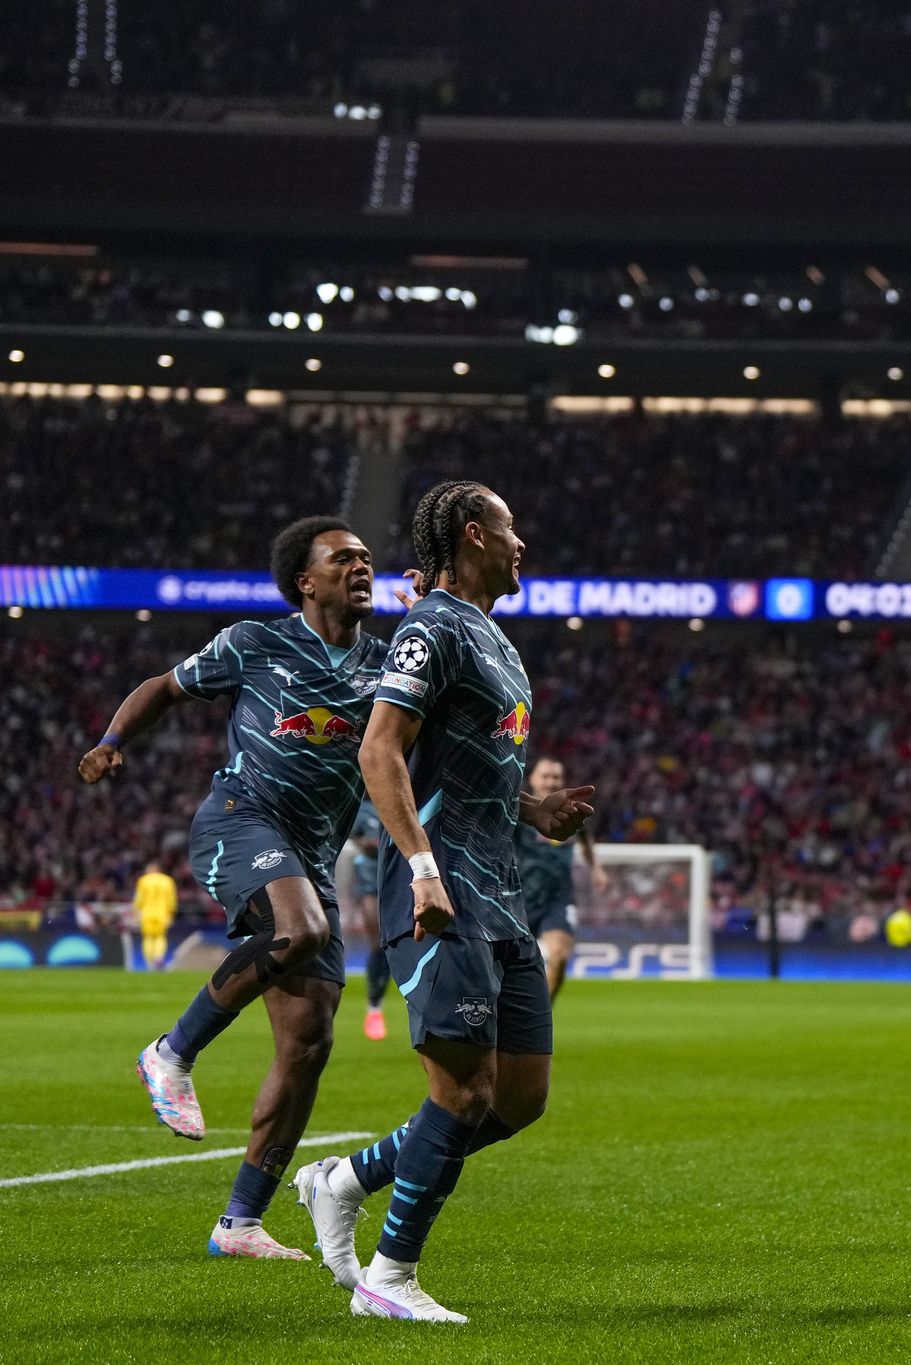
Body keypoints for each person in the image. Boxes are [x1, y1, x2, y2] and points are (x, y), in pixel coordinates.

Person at [290, 481, 593, 1323]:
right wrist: (422, 868)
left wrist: (536, 812)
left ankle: (341, 1176)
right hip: (440, 887)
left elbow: (466, 771)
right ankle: (390, 1277)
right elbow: (380, 753)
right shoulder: (430, 628)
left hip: (498, 889)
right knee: (461, 1091)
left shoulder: (496, 639)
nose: (522, 542)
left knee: (517, 1098)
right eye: (509, 526)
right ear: (473, 535)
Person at [78, 517, 386, 1259]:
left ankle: (240, 1222)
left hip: (312, 855)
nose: (362, 565)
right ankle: (171, 1051)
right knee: (301, 929)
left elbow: (429, 759)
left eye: (367, 557)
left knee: (309, 1040)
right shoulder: (255, 641)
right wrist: (113, 742)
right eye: (343, 558)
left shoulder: (384, 664)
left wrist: (531, 807)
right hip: (239, 821)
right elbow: (164, 686)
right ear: (304, 582)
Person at [518, 755, 607, 1001]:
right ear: (532, 779)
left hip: (557, 899)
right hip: (518, 899)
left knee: (559, 956)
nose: (550, 781)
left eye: (555, 776)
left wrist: (596, 868)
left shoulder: (572, 811)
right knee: (505, 968)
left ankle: (539, 1017)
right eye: (545, 776)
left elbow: (586, 838)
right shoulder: (518, 810)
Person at [349, 799, 394, 1039]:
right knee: (378, 945)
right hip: (370, 881)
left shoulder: (404, 797)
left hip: (402, 877)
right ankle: (374, 1009)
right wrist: (363, 844)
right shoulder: (360, 808)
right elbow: (348, 834)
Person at [133, 859, 178, 971]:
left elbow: (139, 899)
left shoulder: (143, 880)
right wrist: (171, 913)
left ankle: (149, 962)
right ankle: (159, 957)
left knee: (148, 937)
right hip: (162, 913)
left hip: (146, 913)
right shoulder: (167, 881)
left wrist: (135, 912)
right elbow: (171, 900)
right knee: (160, 937)